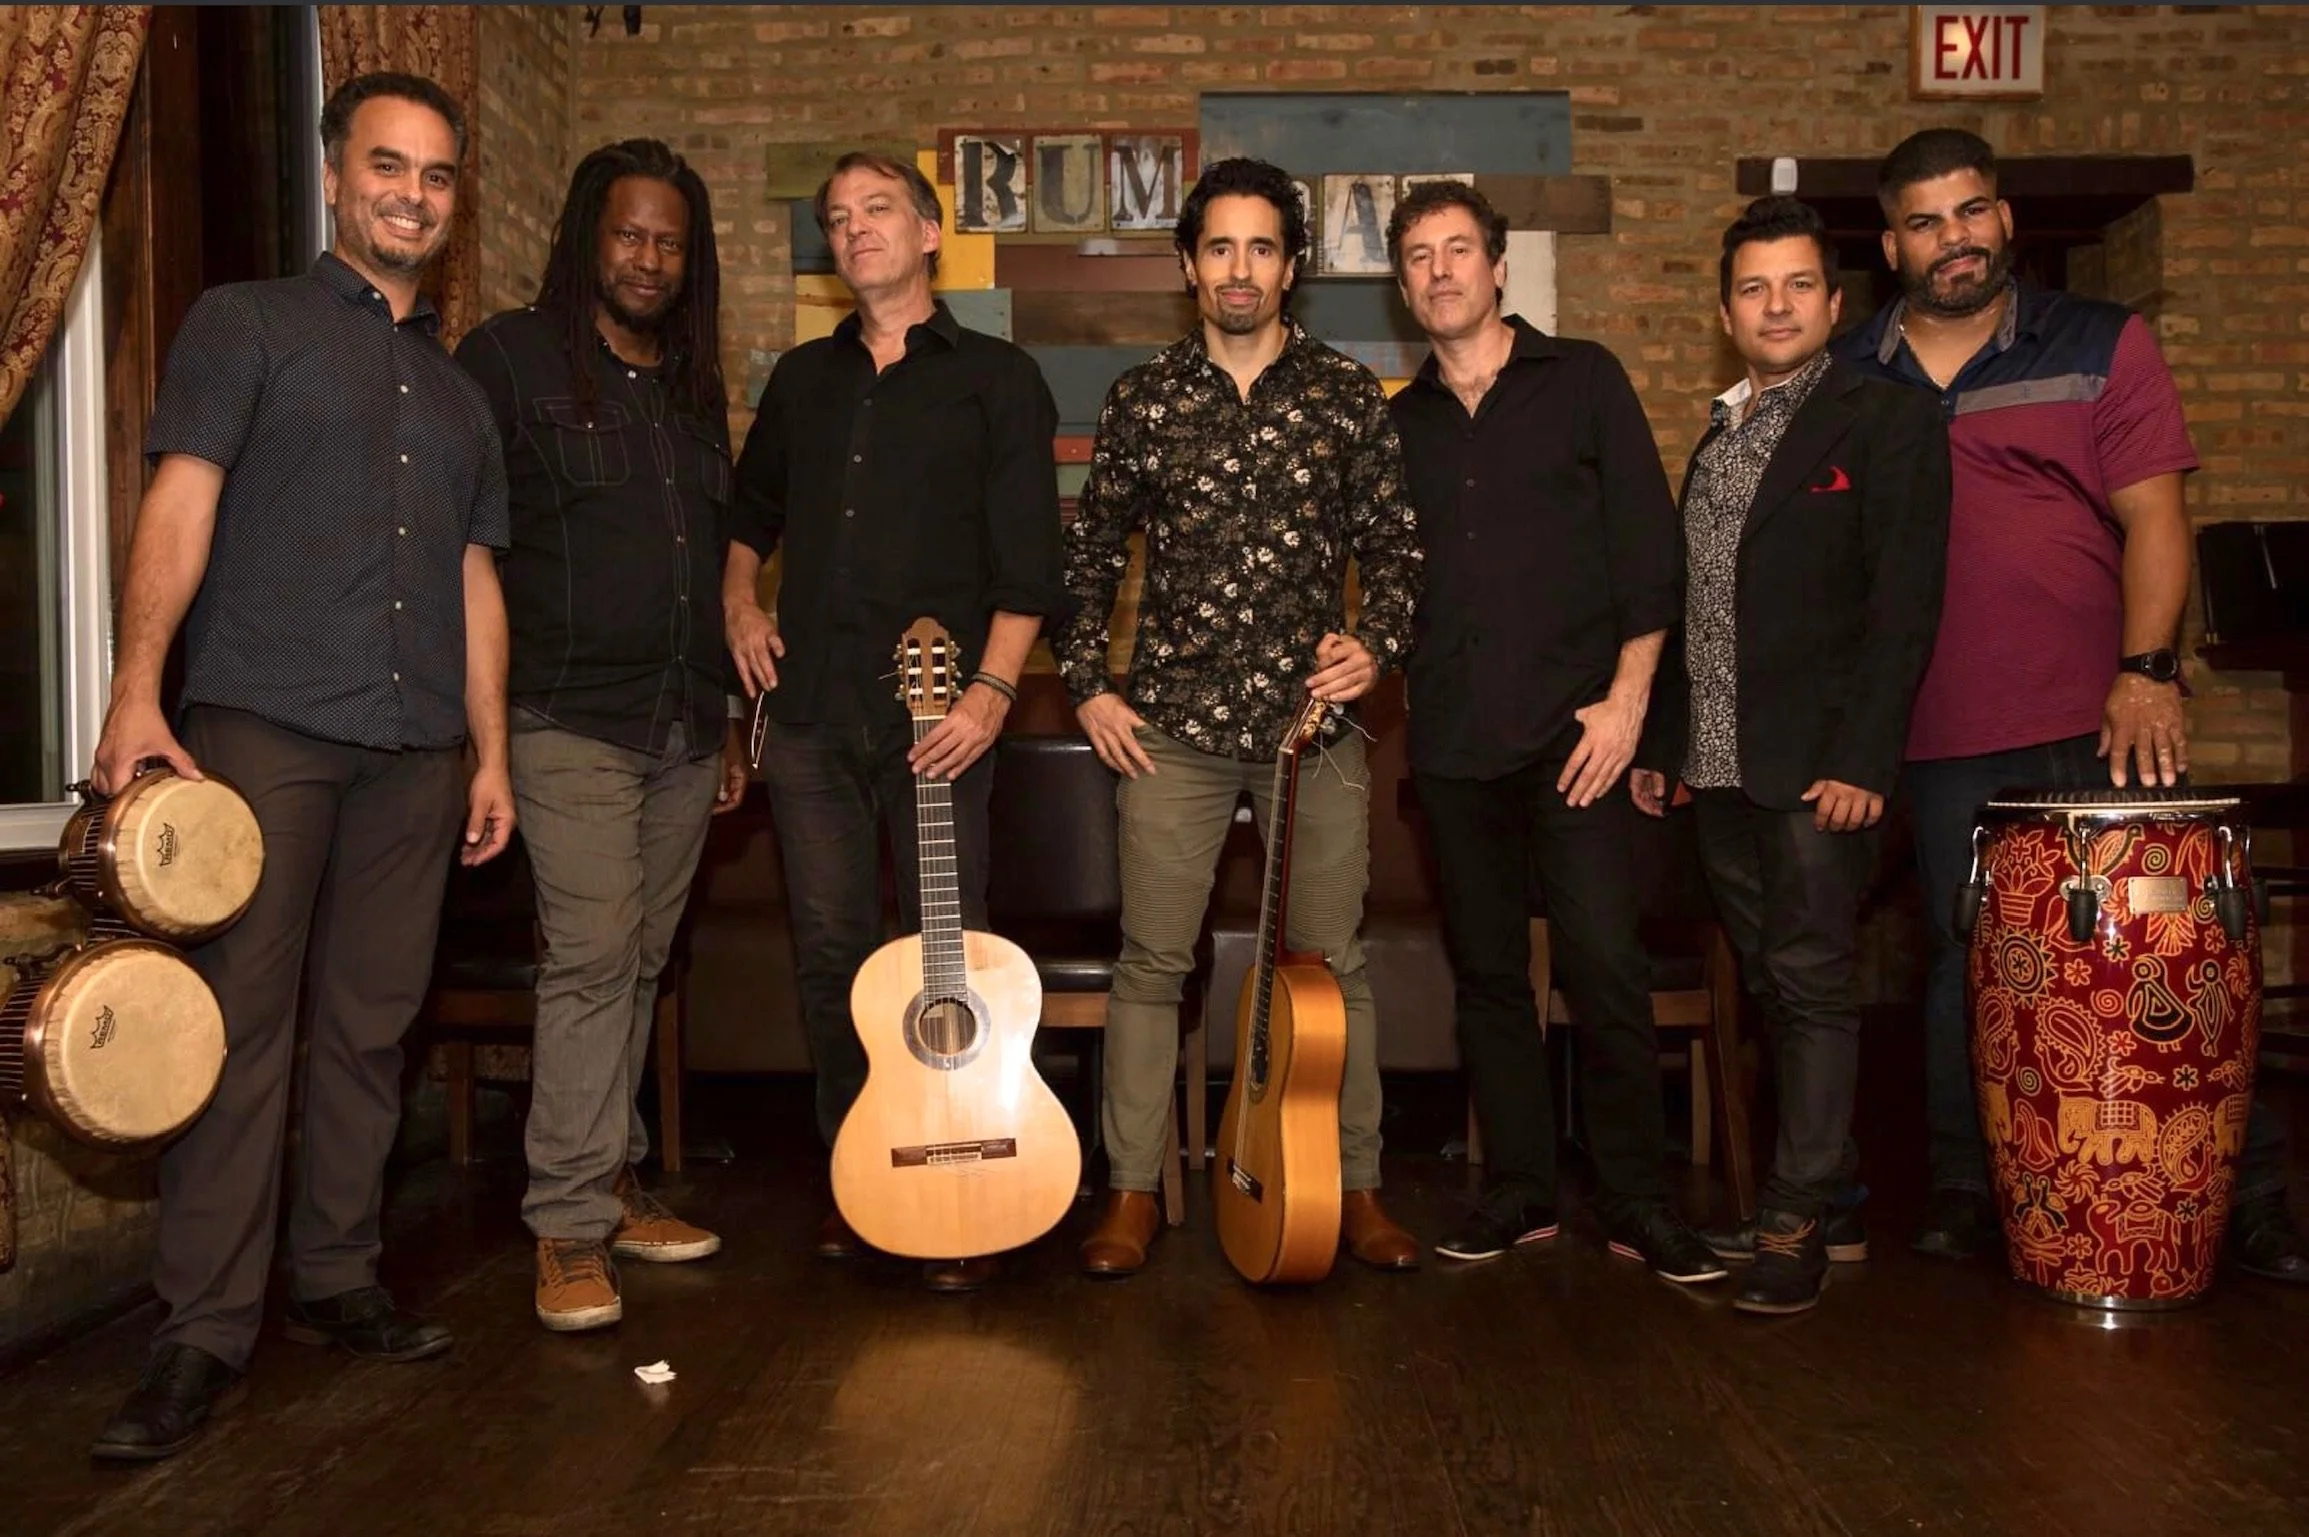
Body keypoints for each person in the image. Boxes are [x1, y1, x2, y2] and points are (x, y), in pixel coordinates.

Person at [86, 72, 512, 1462]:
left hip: (417, 750)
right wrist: (136, 690)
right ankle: (202, 1331)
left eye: (436, 175)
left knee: (371, 1028)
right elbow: (181, 498)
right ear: (336, 177)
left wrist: (491, 752)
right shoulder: (246, 322)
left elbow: (475, 582)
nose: (412, 193)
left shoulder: (462, 394)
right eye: (388, 165)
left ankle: (336, 1277)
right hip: (264, 722)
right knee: (236, 1029)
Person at [1839, 127, 2305, 1280]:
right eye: (1922, 222)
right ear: (1890, 245)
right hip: (1938, 729)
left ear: (2003, 219)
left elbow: (2156, 515)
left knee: (2160, 952)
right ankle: (1969, 1185)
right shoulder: (1848, 374)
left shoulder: (2099, 341)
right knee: (1971, 956)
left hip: (2103, 716)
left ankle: (2241, 1192)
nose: (1952, 238)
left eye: (1969, 212)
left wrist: (2145, 670)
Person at [1059, 155, 1425, 1279]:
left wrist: (1377, 643)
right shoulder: (1142, 399)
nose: (1238, 267)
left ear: (1290, 267)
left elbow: (1397, 554)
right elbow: (1086, 556)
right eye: (1218, 246)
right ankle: (1131, 1191)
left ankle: (1354, 1187)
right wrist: (1088, 682)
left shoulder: (1345, 397)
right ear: (1187, 264)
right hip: (1170, 727)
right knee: (1150, 963)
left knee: (1331, 964)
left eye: (1260, 247)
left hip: (1312, 729)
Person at [722, 151, 1065, 1294]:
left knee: (944, 955)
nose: (854, 228)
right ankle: (857, 1171)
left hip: (939, 718)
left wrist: (991, 693)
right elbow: (748, 515)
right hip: (811, 714)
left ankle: (964, 1174)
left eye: (877, 209)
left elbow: (1030, 562)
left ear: (928, 232)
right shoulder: (801, 381)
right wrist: (738, 604)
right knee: (829, 957)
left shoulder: (998, 380)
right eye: (836, 218)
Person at [1384, 180, 1724, 1284]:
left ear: (1497, 268)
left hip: (1579, 737)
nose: (1439, 271)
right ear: (1402, 286)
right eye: (1417, 257)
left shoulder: (1582, 379)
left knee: (1603, 967)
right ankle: (1520, 1187)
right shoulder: (1395, 425)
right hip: (1451, 741)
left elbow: (1648, 555)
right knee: (1487, 978)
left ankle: (1636, 1199)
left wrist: (1629, 703)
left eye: (1456, 250)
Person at [1631, 197, 1950, 1314]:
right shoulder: (1718, 435)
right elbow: (1696, 606)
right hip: (1720, 768)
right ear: (1726, 313)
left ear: (1833, 300)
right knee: (1772, 982)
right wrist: (1669, 744)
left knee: (1811, 984)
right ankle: (1834, 1197)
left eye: (1797, 285)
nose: (1775, 306)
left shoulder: (1885, 419)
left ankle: (1793, 1219)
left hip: (1820, 769)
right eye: (1753, 289)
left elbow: (1903, 607)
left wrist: (1864, 759)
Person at [456, 139, 749, 1333]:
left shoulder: (689, 386)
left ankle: (613, 1179)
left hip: (682, 721)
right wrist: (479, 737)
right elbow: (462, 552)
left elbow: (714, 567)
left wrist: (728, 720)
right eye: (628, 234)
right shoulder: (505, 360)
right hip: (562, 715)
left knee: (637, 959)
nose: (647, 259)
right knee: (588, 956)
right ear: (588, 236)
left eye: (669, 242)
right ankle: (568, 1225)